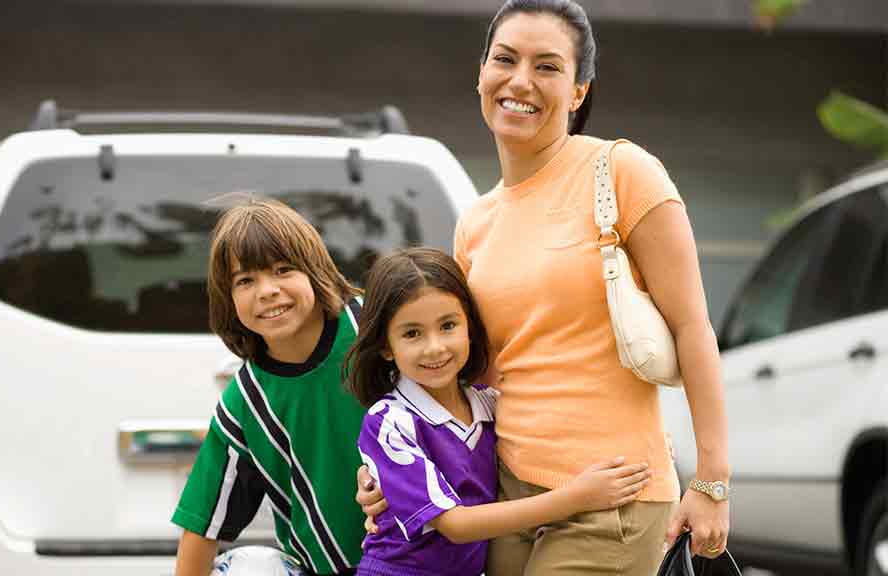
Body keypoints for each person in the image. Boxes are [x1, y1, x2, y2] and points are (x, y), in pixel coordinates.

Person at [357, 1, 730, 574]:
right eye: (504, 59)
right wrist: (391, 474)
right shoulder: (476, 220)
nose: (520, 81)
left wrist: (712, 480)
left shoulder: (621, 172)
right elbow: (471, 374)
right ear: (481, 73)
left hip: (612, 495)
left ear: (579, 91)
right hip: (508, 495)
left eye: (548, 66)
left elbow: (692, 327)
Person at [346, 247, 652, 576]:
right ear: (385, 347)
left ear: (470, 327)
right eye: (412, 333)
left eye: (448, 325)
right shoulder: (390, 421)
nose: (434, 346)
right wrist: (577, 497)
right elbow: (456, 525)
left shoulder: (491, 404)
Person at [173, 198, 367, 576]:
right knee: (251, 567)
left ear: (315, 270)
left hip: (426, 553)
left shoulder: (371, 329)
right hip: (329, 570)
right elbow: (201, 527)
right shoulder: (245, 402)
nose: (267, 290)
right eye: (245, 280)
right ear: (229, 300)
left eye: (283, 270)